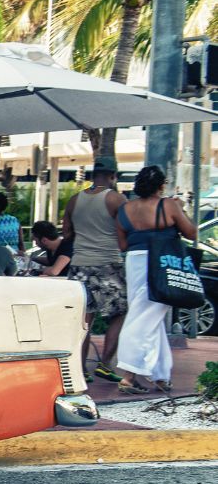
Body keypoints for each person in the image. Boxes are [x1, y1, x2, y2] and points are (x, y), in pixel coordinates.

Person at [114, 165, 197, 394]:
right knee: (143, 317)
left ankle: (161, 375)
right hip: (161, 261)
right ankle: (129, 375)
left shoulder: (125, 209)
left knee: (149, 315)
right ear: (162, 185)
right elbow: (191, 232)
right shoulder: (168, 205)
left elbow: (122, 245)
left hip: (135, 260)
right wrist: (181, 208)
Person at [62, 155, 128, 382]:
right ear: (113, 176)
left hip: (80, 264)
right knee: (119, 313)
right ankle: (105, 364)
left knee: (84, 319)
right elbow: (126, 232)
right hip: (108, 263)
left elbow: (67, 233)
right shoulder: (116, 199)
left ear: (91, 176)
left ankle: (80, 369)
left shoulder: (74, 200)